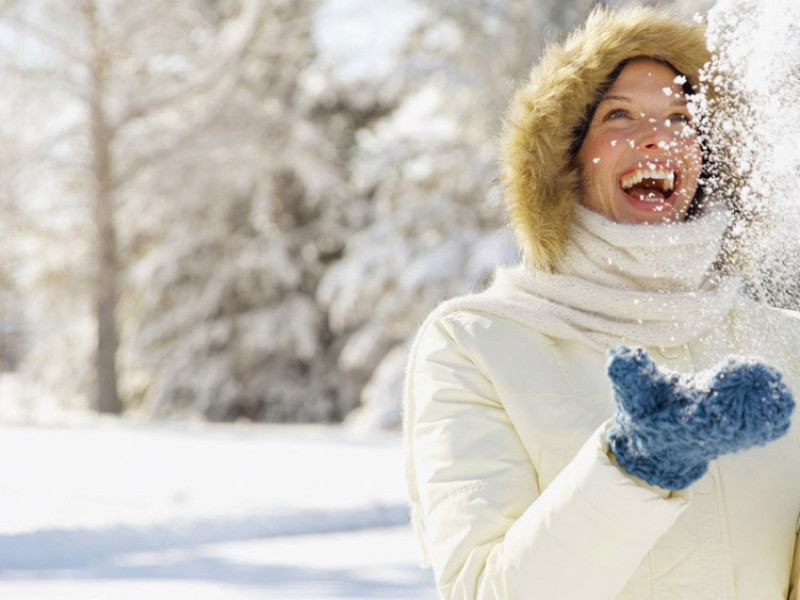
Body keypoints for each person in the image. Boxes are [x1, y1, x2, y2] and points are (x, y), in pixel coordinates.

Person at [403, 5, 800, 599]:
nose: (659, 136)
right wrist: (634, 468)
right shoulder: (476, 345)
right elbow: (482, 590)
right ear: (563, 156)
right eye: (619, 114)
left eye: (681, 116)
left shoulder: (785, 342)